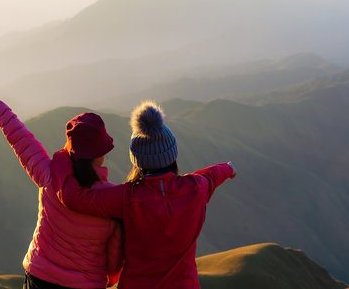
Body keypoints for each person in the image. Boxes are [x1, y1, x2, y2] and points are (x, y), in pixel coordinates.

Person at [0, 81, 123, 289]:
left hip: (39, 277)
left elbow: (18, 135)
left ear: (70, 149)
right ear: (101, 154)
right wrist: (107, 279)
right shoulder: (114, 201)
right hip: (85, 285)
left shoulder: (49, 176)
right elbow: (114, 260)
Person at [53, 100, 237, 289]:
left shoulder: (126, 197)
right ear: (172, 155)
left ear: (137, 160)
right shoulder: (196, 188)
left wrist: (61, 157)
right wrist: (228, 168)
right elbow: (212, 175)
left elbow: (73, 198)